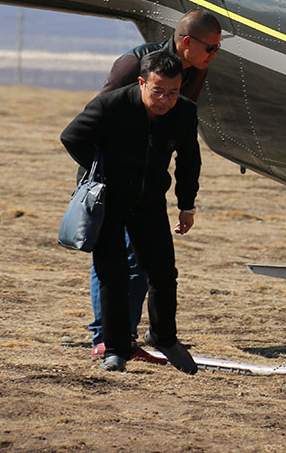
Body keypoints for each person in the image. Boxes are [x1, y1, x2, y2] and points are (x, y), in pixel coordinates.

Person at [83, 9, 222, 359]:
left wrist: (183, 198)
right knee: (112, 261)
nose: (214, 56)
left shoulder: (195, 70)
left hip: (147, 185)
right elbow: (95, 120)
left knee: (147, 263)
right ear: (187, 42)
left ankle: (129, 336)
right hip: (112, 183)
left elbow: (179, 128)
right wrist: (104, 173)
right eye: (211, 48)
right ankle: (106, 338)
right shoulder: (134, 66)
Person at [61, 49, 201, 374]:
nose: (165, 100)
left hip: (150, 202)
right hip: (109, 202)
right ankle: (115, 349)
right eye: (158, 91)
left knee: (164, 274)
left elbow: (189, 160)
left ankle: (164, 337)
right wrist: (104, 168)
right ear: (141, 82)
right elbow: (71, 136)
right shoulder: (111, 105)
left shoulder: (184, 112)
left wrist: (186, 204)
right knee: (113, 276)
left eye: (173, 92)